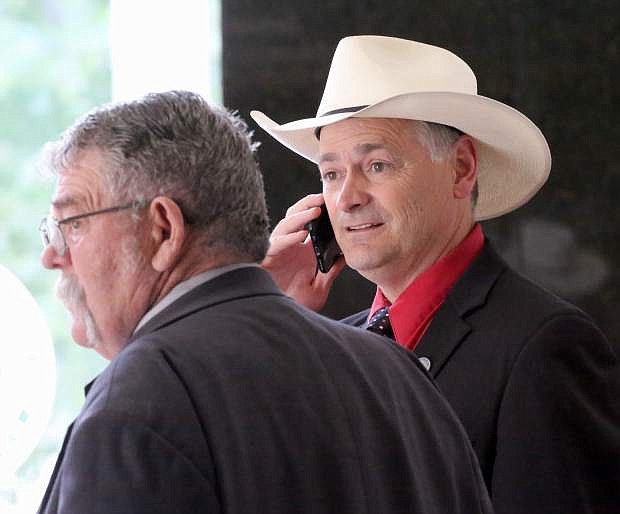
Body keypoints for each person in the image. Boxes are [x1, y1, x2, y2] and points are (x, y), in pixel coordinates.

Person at [35, 90, 493, 514]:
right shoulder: (399, 374)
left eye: (72, 223)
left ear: (163, 229)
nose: (53, 256)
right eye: (331, 173)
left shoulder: (137, 407)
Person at [251, 35, 620, 514]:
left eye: (376, 165)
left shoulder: (543, 346)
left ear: (462, 168)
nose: (347, 199)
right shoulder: (324, 346)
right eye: (332, 174)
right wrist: (273, 317)